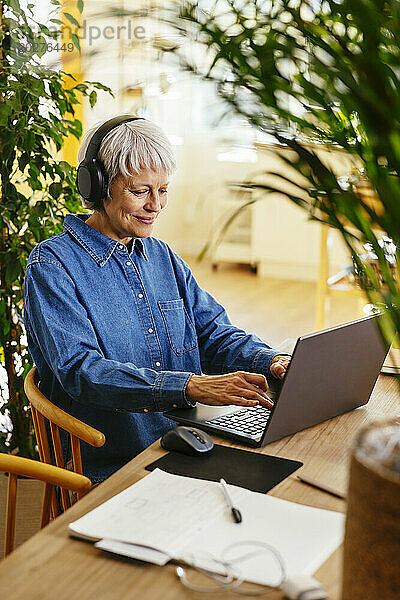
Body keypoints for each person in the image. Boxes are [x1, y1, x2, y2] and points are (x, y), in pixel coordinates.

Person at [23, 115, 290, 483]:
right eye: (140, 191)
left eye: (163, 190)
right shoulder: (52, 266)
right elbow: (81, 372)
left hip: (189, 439)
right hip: (111, 463)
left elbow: (211, 332)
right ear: (97, 185)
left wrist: (272, 360)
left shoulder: (161, 256)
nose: (156, 205)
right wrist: (190, 386)